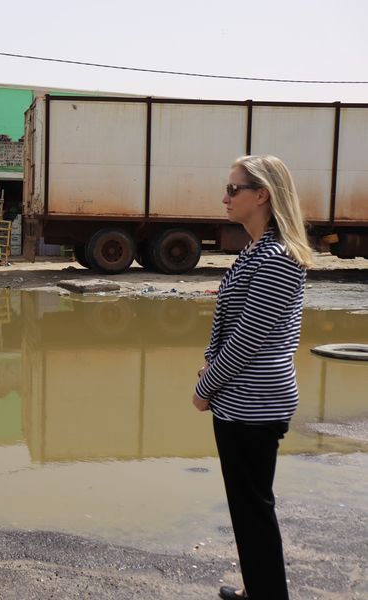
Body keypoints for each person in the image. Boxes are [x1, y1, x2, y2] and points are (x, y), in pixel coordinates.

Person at [194, 155, 313, 600]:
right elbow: (226, 321)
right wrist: (210, 364)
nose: (224, 198)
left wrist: (204, 388)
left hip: (255, 403)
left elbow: (247, 341)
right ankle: (258, 589)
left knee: (254, 509)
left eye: (233, 189)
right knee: (247, 508)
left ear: (261, 195)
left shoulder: (279, 258)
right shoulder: (255, 250)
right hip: (240, 399)